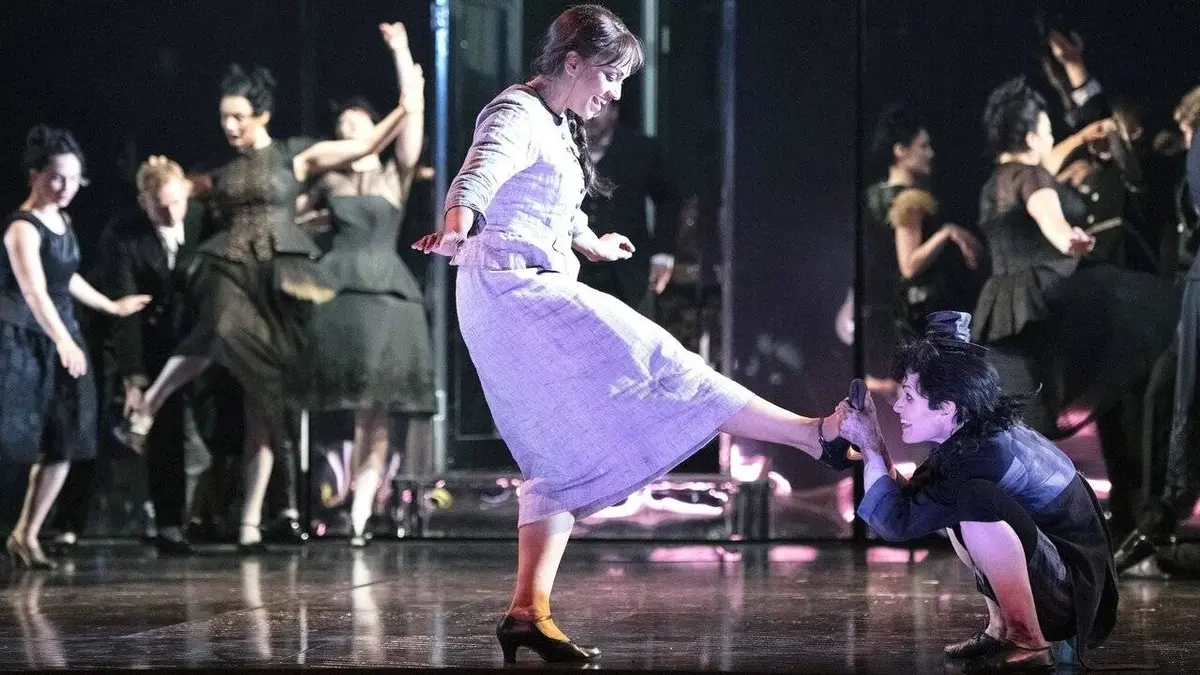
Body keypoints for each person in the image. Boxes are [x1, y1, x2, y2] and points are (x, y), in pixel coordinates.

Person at [414, 4, 851, 663]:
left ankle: (527, 613)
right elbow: (480, 174)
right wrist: (455, 225)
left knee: (553, 452)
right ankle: (812, 434)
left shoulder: (556, 123)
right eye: (610, 76)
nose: (615, 93)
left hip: (519, 287)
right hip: (513, 290)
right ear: (573, 62)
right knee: (662, 361)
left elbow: (548, 205)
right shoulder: (516, 113)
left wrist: (591, 241)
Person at [131, 52, 412, 552]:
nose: (229, 126)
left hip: (278, 282)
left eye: (238, 116)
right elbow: (174, 187)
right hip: (230, 270)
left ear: (261, 114)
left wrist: (406, 107)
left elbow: (366, 145)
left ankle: (250, 523)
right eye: (224, 117)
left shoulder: (293, 155)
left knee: (263, 408)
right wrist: (163, 186)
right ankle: (151, 403)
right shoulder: (219, 169)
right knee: (218, 325)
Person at [835, 311, 1117, 674]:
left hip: (1072, 597)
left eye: (909, 396)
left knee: (973, 500)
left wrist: (872, 445)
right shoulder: (973, 434)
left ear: (947, 407)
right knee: (957, 500)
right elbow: (912, 504)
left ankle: (1028, 641)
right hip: (1062, 581)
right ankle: (1001, 631)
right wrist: (874, 444)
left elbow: (895, 523)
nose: (898, 405)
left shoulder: (984, 455)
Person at [972, 77, 1177, 537]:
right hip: (1043, 307)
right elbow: (1049, 216)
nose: (1052, 142)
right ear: (1031, 138)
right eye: (1047, 132)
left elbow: (1038, 187)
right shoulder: (1033, 177)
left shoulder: (993, 184)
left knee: (1021, 437)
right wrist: (1069, 239)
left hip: (1002, 316)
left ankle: (1019, 545)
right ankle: (1043, 546)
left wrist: (1081, 137)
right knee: (1161, 307)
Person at [294, 22, 434, 547]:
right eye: (342, 125)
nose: (348, 129)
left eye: (357, 122)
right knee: (336, 399)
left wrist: (401, 52)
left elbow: (412, 118)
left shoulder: (394, 174)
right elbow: (287, 218)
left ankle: (360, 508)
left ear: (375, 128)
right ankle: (315, 501)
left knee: (378, 408)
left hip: (387, 295)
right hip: (338, 293)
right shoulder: (328, 179)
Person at [1, 125, 150, 568]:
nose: (66, 188)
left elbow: (66, 278)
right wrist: (63, 339)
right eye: (56, 178)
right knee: (16, 443)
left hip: (62, 336)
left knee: (66, 438)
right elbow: (35, 291)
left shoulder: (62, 220)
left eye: (73, 178)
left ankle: (26, 534)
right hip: (24, 341)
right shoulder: (22, 229)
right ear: (35, 175)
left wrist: (111, 306)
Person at [102, 156, 206, 554]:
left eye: (177, 202)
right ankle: (169, 524)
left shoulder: (203, 221)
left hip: (206, 336)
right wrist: (134, 376)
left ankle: (210, 516)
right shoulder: (123, 236)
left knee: (218, 430)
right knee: (165, 432)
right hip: (156, 341)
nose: (171, 213)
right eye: (160, 206)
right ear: (143, 201)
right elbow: (126, 310)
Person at [862, 104, 982, 392]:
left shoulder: (873, 198)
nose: (931, 153)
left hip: (888, 310)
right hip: (918, 312)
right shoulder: (911, 201)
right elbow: (910, 264)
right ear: (900, 150)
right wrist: (946, 233)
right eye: (923, 146)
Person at [576, 99, 680, 315]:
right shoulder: (558, 146)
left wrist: (662, 253)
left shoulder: (639, 149)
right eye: (587, 105)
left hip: (627, 272)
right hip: (574, 268)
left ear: (614, 112)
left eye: (601, 106)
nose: (593, 116)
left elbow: (668, 199)